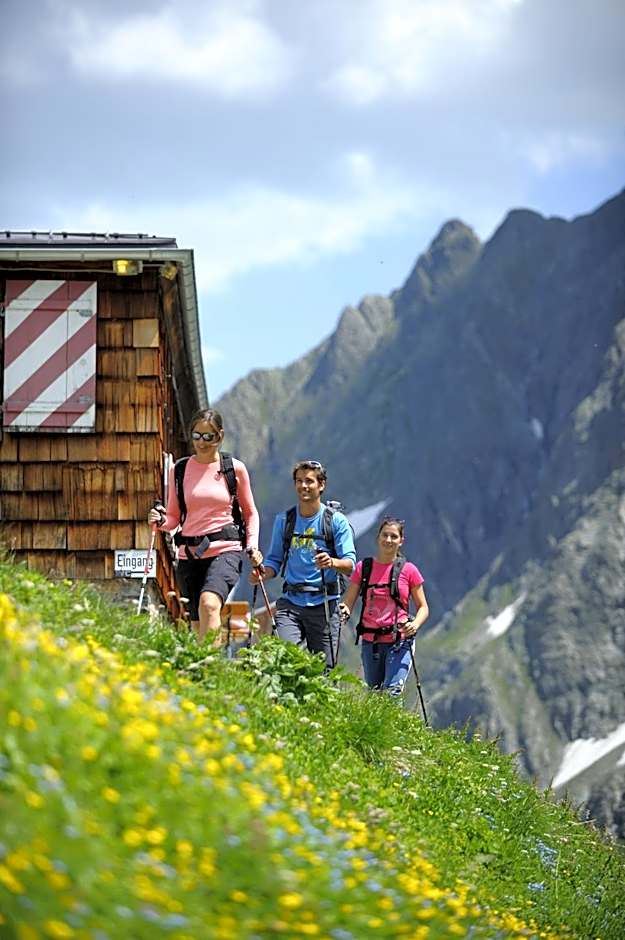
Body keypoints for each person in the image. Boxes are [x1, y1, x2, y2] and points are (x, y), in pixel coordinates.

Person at [148, 409, 263, 642]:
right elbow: (174, 517)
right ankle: (208, 664)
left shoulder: (234, 469)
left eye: (208, 436)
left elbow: (251, 513)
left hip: (225, 550)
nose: (201, 442)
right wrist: (160, 521)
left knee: (209, 604)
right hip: (189, 555)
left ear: (220, 436)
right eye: (196, 436)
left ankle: (209, 663)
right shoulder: (179, 470)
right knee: (198, 625)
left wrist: (252, 545)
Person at [250, 460, 356, 668]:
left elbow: (350, 564)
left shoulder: (336, 521)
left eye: (309, 481)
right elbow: (274, 560)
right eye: (299, 481)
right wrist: (262, 573)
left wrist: (331, 562)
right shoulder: (285, 521)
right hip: (291, 603)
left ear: (321, 485)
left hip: (325, 604)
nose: (303, 486)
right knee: (287, 661)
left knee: (324, 671)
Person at [339, 517, 429, 696]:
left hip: (400, 640)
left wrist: (415, 625)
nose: (388, 540)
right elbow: (348, 602)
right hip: (370, 642)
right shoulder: (363, 568)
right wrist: (344, 611)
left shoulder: (409, 570)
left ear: (401, 541)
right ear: (378, 537)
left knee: (391, 693)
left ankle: (393, 714)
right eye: (385, 535)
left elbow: (423, 607)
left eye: (394, 536)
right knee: (375, 694)